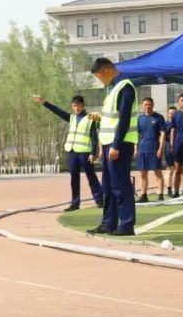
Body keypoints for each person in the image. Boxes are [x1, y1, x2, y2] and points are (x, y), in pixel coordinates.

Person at [87, 58, 138, 236]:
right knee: (108, 186)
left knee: (120, 185)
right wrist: (100, 117)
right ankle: (108, 223)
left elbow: (124, 119)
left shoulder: (125, 87)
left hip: (120, 144)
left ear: (108, 70)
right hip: (109, 144)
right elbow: (113, 117)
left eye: (99, 76)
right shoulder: (113, 89)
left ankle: (126, 224)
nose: (100, 80)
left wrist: (116, 145)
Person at [31, 94, 102, 211]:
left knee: (91, 177)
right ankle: (75, 203)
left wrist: (93, 153)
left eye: (79, 105)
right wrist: (44, 102)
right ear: (72, 107)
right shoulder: (72, 118)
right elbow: (57, 111)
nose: (77, 108)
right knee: (74, 178)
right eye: (74, 106)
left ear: (83, 106)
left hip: (84, 153)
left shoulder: (90, 119)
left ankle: (100, 200)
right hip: (72, 152)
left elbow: (94, 137)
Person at [134, 96, 166, 203]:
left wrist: (161, 148)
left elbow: (162, 134)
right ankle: (144, 195)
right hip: (143, 149)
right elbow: (137, 135)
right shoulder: (140, 118)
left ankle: (160, 195)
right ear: (142, 106)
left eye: (149, 104)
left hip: (154, 148)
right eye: (145, 105)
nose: (147, 107)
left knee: (158, 172)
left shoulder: (159, 117)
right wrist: (136, 148)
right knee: (143, 173)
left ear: (153, 105)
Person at [163, 105, 177, 197]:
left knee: (182, 169)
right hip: (169, 147)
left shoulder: (180, 123)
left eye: (174, 113)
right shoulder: (165, 125)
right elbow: (162, 136)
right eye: (171, 113)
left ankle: (182, 188)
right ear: (168, 114)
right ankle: (169, 190)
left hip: (180, 146)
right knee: (170, 169)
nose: (172, 115)